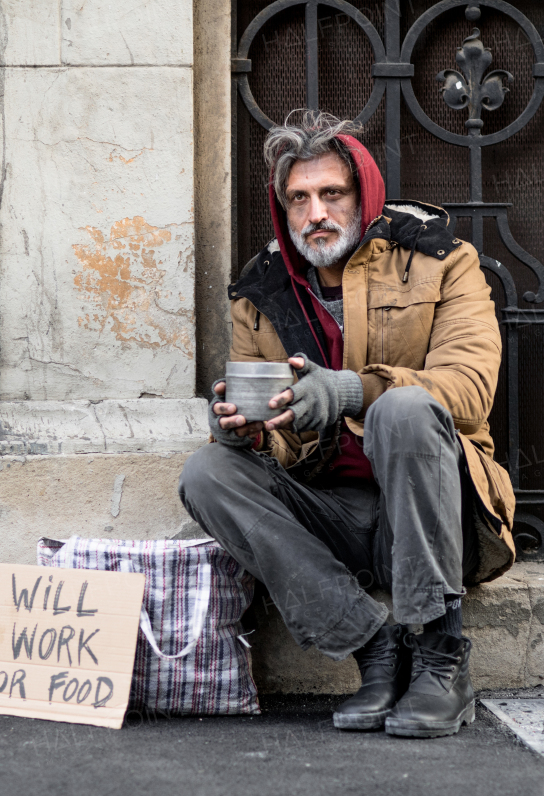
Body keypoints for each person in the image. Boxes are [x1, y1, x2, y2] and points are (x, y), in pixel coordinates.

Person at [177, 110, 516, 738]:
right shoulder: (260, 291)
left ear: (363, 196)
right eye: (299, 199)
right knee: (208, 471)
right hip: (336, 521)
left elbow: (469, 392)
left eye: (332, 193)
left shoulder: (440, 258)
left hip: (434, 519)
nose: (316, 214)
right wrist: (250, 433)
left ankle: (442, 658)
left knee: (405, 408)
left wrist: (350, 391)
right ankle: (374, 650)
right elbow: (273, 441)